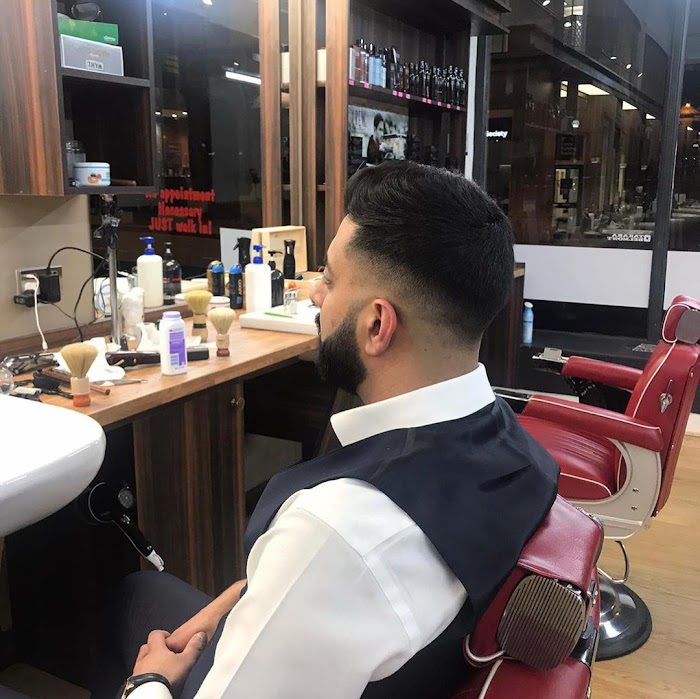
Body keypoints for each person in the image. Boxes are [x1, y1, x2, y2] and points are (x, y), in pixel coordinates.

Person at [111, 161, 559, 699]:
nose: (315, 297)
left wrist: (149, 680)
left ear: (377, 325)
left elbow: (324, 563)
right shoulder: (511, 443)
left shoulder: (336, 529)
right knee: (141, 592)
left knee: (130, 605)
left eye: (329, 279)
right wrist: (225, 608)